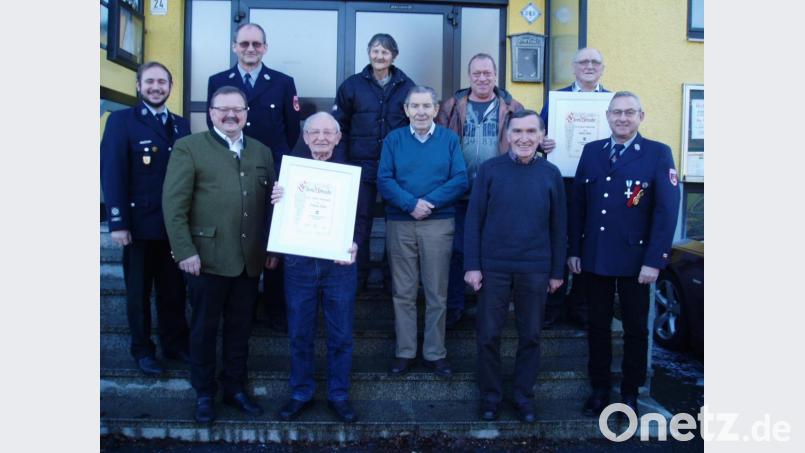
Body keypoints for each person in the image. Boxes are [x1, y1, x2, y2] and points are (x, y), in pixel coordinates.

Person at [162, 86, 277, 424]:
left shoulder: (262, 151)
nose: (230, 115)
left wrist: (270, 248)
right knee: (204, 329)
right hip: (205, 259)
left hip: (248, 259)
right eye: (223, 109)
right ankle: (203, 393)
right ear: (210, 112)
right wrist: (184, 250)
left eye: (237, 109)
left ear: (246, 113)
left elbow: (272, 206)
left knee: (241, 329)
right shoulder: (189, 148)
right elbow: (174, 205)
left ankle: (234, 388)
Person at [568, 91, 680, 418]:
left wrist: (654, 260)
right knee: (598, 327)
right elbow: (579, 205)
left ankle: (630, 391)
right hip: (596, 256)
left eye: (629, 112)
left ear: (641, 116)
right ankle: (600, 388)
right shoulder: (592, 152)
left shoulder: (658, 154)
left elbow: (666, 212)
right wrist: (575, 249)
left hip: (637, 260)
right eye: (616, 112)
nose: (622, 118)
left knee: (635, 329)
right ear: (607, 116)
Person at [463, 110, 566, 423]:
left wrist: (557, 271)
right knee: (488, 335)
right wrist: (472, 265)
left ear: (541, 136)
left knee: (531, 336)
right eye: (518, 132)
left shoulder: (551, 174)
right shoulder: (490, 170)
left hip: (535, 267)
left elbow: (559, 226)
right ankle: (491, 398)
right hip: (493, 267)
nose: (524, 138)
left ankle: (523, 397)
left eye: (531, 132)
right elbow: (473, 220)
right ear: (507, 135)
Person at [207, 22, 301, 332]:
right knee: (235, 234)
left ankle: (275, 309)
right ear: (234, 46)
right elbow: (216, 128)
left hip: (271, 172)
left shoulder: (283, 82)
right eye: (244, 44)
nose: (251, 49)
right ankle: (237, 310)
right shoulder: (218, 81)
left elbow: (291, 129)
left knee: (273, 238)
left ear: (265, 47)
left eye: (256, 44)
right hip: (229, 171)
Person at [100, 61, 190, 376]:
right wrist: (118, 221)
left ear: (170, 87)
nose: (156, 87)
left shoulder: (181, 125)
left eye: (162, 82)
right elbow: (112, 173)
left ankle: (175, 344)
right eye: (150, 82)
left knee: (174, 290)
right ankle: (142, 350)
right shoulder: (121, 121)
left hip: (174, 227)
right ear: (138, 86)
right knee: (139, 294)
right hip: (138, 226)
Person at [270, 112, 360, 423]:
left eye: (328, 132)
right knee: (299, 332)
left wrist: (356, 243)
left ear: (338, 137)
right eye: (314, 132)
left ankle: (338, 395)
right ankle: (301, 393)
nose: (321, 137)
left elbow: (360, 218)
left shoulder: (350, 175)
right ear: (305, 138)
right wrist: (276, 199)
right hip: (299, 264)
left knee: (341, 334)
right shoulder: (289, 172)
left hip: (340, 265)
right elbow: (277, 216)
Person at [377, 86, 468, 379]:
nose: (420, 112)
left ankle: (434, 352)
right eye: (414, 106)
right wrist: (410, 204)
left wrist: (429, 203)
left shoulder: (449, 139)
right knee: (402, 292)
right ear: (406, 110)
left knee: (436, 292)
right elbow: (384, 179)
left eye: (426, 106)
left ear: (435, 109)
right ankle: (405, 352)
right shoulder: (394, 139)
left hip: (438, 222)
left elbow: (460, 179)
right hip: (401, 222)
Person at [436, 53, 524, 328]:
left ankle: (489, 308)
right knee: (457, 251)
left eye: (487, 73)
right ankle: (455, 307)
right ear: (469, 75)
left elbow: (528, 137)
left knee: (492, 251)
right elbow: (437, 140)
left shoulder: (512, 106)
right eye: (477, 73)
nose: (482, 78)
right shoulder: (451, 105)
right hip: (459, 192)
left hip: (498, 194)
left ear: (495, 75)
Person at [332, 33, 416, 289]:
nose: (380, 56)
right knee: (360, 221)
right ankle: (358, 277)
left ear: (394, 56)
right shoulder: (352, 86)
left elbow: (415, 126)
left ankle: (393, 280)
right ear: (369, 53)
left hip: (395, 169)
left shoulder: (407, 86)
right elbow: (340, 127)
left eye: (385, 52)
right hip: (360, 165)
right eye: (375, 51)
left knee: (396, 224)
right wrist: (343, 163)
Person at [539, 46, 609, 330]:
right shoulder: (557, 100)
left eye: (595, 62)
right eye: (583, 62)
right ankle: (553, 305)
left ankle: (580, 304)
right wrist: (544, 143)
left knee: (589, 242)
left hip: (599, 187)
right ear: (573, 67)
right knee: (560, 239)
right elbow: (539, 134)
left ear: (602, 68)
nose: (589, 66)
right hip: (564, 183)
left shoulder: (612, 101)